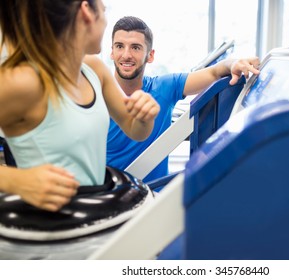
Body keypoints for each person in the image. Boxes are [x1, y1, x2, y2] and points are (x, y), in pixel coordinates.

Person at [0, 1, 160, 212]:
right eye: (104, 10)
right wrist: (15, 180)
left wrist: (144, 116)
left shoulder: (94, 69)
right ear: (86, 11)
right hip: (44, 230)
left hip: (90, 218)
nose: (105, 21)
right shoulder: (22, 82)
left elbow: (135, 130)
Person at [107, 16, 260, 182]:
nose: (126, 55)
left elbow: (214, 72)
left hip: (153, 198)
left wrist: (234, 64)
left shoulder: (165, 87)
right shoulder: (96, 95)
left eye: (136, 48)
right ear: (112, 52)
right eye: (120, 46)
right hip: (107, 197)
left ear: (150, 55)